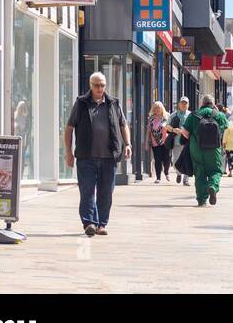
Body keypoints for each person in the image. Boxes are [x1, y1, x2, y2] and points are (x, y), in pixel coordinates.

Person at [64, 71, 132, 236]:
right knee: (87, 191)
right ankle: (89, 222)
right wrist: (68, 151)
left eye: (102, 85)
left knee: (106, 192)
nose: (100, 88)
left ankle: (101, 224)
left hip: (109, 157)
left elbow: (123, 125)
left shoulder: (113, 103)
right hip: (86, 156)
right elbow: (69, 128)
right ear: (90, 85)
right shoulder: (81, 103)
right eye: (96, 85)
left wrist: (128, 144)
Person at [167, 95, 229, 206]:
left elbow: (185, 133)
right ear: (213, 104)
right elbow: (225, 129)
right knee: (215, 170)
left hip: (196, 149)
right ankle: (213, 186)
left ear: (201, 103)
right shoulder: (219, 115)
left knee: (199, 173)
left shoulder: (193, 115)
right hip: (213, 150)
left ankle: (201, 200)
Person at [168, 97, 193, 186]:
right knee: (175, 160)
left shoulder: (191, 115)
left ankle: (186, 180)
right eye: (182, 103)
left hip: (187, 142)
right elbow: (167, 126)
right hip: (176, 141)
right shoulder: (174, 115)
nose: (183, 105)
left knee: (187, 161)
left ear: (188, 105)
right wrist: (174, 130)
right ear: (179, 104)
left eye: (185, 103)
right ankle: (178, 173)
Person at [148, 101, 171, 183]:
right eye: (156, 108)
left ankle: (166, 172)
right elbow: (149, 130)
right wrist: (148, 140)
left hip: (165, 141)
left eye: (159, 108)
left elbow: (170, 128)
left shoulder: (167, 116)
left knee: (167, 158)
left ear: (162, 108)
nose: (157, 109)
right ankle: (158, 177)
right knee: (157, 159)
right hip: (155, 141)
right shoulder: (151, 118)